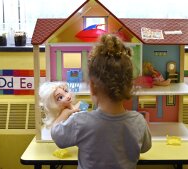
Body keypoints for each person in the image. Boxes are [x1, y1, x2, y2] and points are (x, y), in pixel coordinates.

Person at [51, 34, 152, 169]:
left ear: (92, 86)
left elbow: (57, 136)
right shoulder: (139, 121)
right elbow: (145, 147)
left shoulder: (80, 122)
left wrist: (65, 113)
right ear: (129, 86)